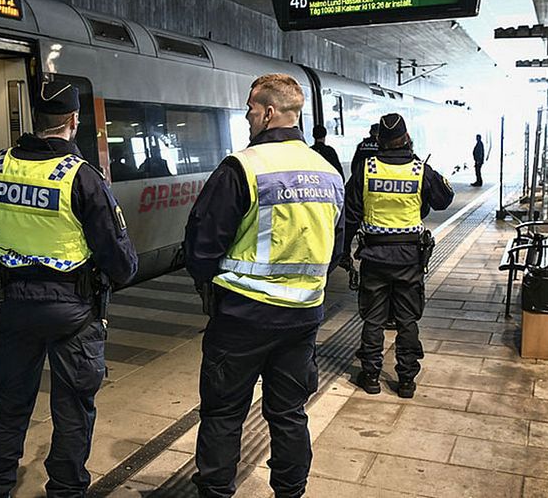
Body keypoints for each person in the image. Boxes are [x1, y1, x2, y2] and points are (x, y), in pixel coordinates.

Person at [0, 80, 138, 498]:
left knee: (9, 407)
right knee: (73, 411)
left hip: (15, 309)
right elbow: (117, 257)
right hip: (74, 312)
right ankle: (65, 490)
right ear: (73, 121)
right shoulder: (82, 177)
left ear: (36, 120)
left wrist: (2, 298)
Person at [184, 73, 345, 498]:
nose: (248, 118)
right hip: (303, 318)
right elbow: (335, 249)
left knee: (223, 414)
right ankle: (290, 492)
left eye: (251, 111)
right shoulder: (327, 172)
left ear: (269, 112)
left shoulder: (243, 167)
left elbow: (202, 244)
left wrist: (212, 283)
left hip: (242, 317)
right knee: (289, 413)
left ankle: (216, 491)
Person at [343, 113, 453, 398]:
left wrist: (343, 252)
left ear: (379, 139)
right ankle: (405, 381)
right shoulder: (420, 170)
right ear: (406, 139)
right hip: (409, 258)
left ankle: (370, 376)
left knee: (373, 319)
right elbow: (443, 201)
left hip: (374, 257)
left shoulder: (366, 170)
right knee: (407, 320)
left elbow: (350, 215)